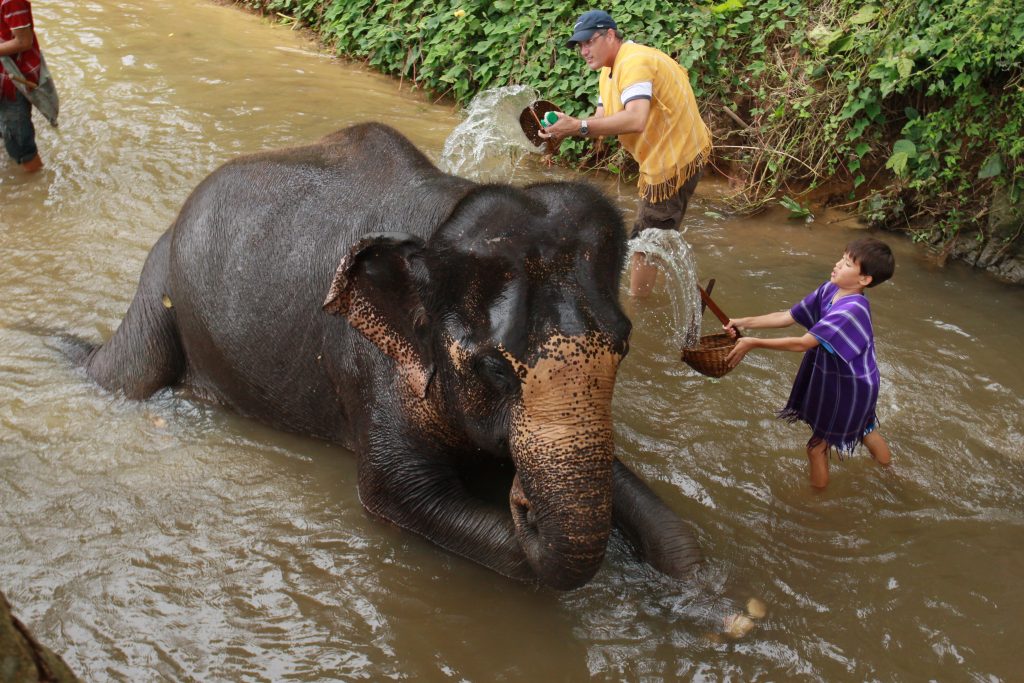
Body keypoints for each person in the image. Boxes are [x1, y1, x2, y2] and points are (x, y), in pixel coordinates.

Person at [541, 9, 712, 297]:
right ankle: (658, 287)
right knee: (652, 237)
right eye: (579, 45)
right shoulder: (609, 71)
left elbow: (635, 119)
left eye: (588, 42)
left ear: (610, 35)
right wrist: (565, 128)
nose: (583, 51)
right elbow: (599, 121)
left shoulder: (634, 62)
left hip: (673, 159)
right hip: (661, 155)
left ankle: (639, 306)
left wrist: (578, 127)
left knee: (646, 241)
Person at [723, 237, 896, 489]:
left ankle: (816, 506)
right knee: (865, 428)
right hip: (849, 378)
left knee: (815, 448)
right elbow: (787, 316)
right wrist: (741, 321)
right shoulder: (830, 290)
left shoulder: (852, 310)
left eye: (847, 263)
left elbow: (802, 343)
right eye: (841, 258)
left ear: (864, 280)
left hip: (850, 387)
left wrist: (753, 343)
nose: (837, 265)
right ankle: (890, 473)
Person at [0, 0, 44, 172]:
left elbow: (24, 42)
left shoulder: (12, 1)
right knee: (7, 130)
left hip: (14, 80)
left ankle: (36, 185)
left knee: (20, 142)